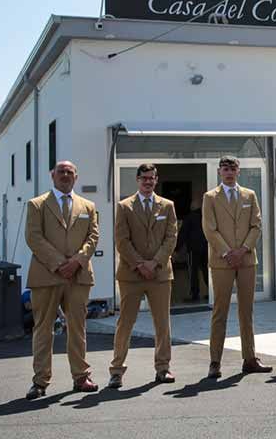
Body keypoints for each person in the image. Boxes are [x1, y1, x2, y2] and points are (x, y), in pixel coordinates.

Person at [24, 161, 100, 399]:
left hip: (78, 275)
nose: (65, 175)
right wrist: (59, 263)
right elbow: (34, 237)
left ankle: (81, 376)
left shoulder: (88, 206)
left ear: (76, 177)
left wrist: (76, 261)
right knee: (43, 328)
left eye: (70, 172)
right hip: (46, 274)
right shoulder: (37, 205)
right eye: (61, 172)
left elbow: (93, 236)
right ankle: (40, 381)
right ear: (52, 175)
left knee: (77, 328)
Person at [108, 163, 178, 388]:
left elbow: (171, 237)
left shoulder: (167, 206)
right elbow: (121, 240)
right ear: (137, 180)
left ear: (156, 180)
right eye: (144, 178)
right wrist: (140, 264)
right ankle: (116, 371)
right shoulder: (124, 206)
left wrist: (155, 263)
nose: (148, 182)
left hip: (159, 274)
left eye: (151, 178)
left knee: (162, 324)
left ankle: (163, 368)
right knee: (125, 323)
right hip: (131, 274)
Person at [202, 156, 271, 378]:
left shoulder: (249, 195)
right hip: (222, 262)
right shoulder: (210, 197)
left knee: (246, 311)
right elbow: (210, 229)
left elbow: (256, 225)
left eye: (233, 168)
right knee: (220, 311)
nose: (229, 172)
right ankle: (215, 361)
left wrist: (243, 250)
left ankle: (249, 358)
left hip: (246, 260)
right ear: (220, 172)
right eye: (225, 169)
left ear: (238, 171)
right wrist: (227, 252)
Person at [178, 198, 207, 302]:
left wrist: (176, 248)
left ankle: (194, 294)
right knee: (206, 270)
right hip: (206, 248)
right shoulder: (205, 216)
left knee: (193, 271)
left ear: (193, 206)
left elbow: (183, 234)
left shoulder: (189, 217)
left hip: (193, 249)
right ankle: (211, 292)